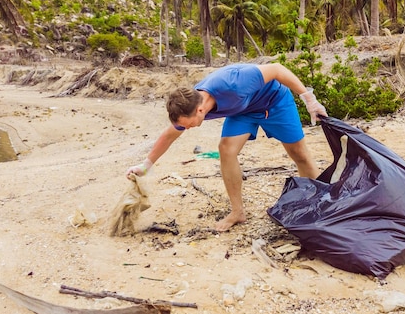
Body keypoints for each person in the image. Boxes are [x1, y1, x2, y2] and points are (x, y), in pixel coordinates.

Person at [125, 62, 327, 232]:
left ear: (200, 109)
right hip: (244, 110)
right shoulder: (189, 105)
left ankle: (322, 205)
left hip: (274, 101)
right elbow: (169, 135)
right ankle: (237, 212)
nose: (187, 129)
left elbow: (276, 69)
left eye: (188, 124)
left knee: (299, 154)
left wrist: (310, 100)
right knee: (226, 149)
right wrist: (145, 166)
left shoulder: (232, 84)